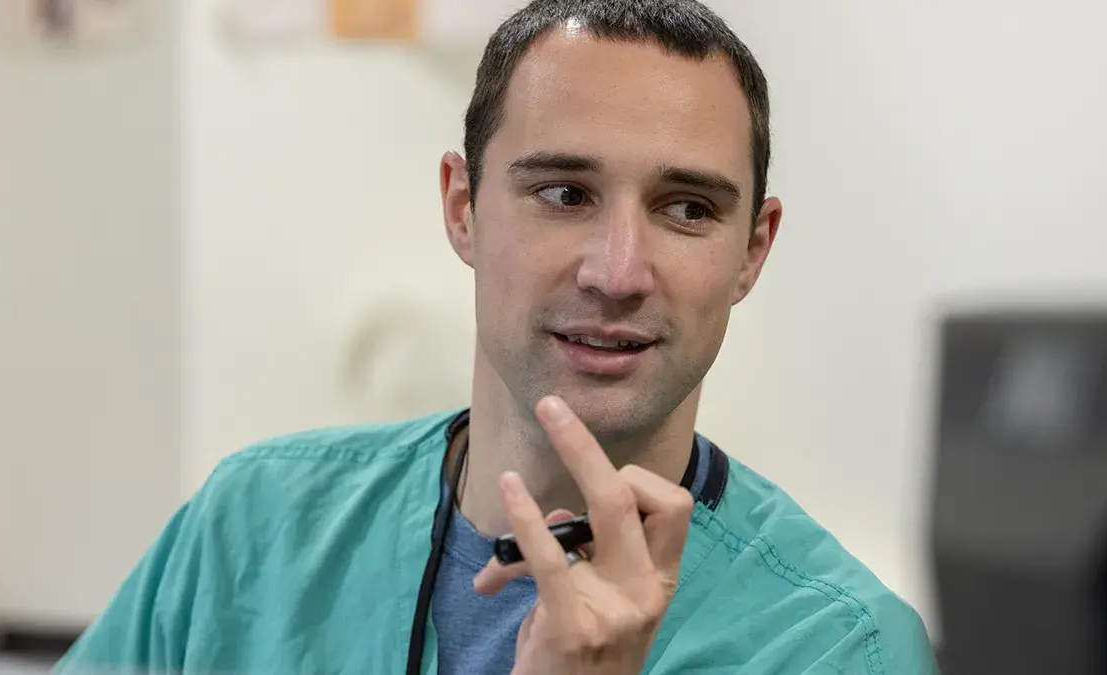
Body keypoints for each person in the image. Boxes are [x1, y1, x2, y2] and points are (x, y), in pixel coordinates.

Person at [55, 0, 939, 673]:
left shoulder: (841, 646)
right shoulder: (254, 531)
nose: (618, 270)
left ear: (753, 251)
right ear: (462, 208)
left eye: (687, 208)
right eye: (564, 193)